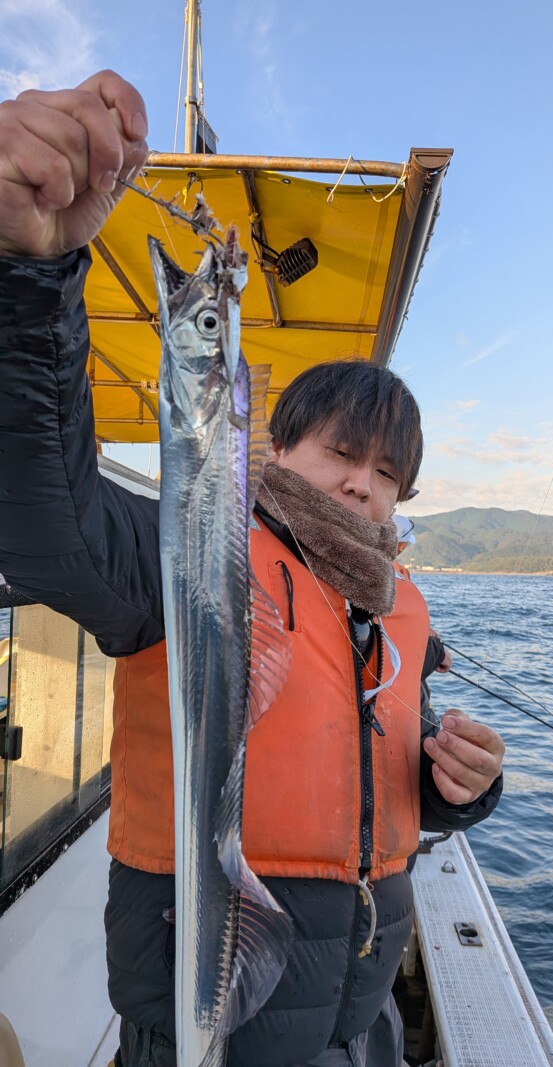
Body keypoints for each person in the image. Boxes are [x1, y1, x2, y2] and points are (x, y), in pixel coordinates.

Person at [0, 72, 505, 1067]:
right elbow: (48, 523)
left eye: (389, 472)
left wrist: (457, 787)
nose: (363, 487)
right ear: (267, 446)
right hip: (209, 1006)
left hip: (357, 1010)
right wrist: (28, 272)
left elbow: (379, 773)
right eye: (340, 454)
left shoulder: (397, 608)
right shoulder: (188, 547)